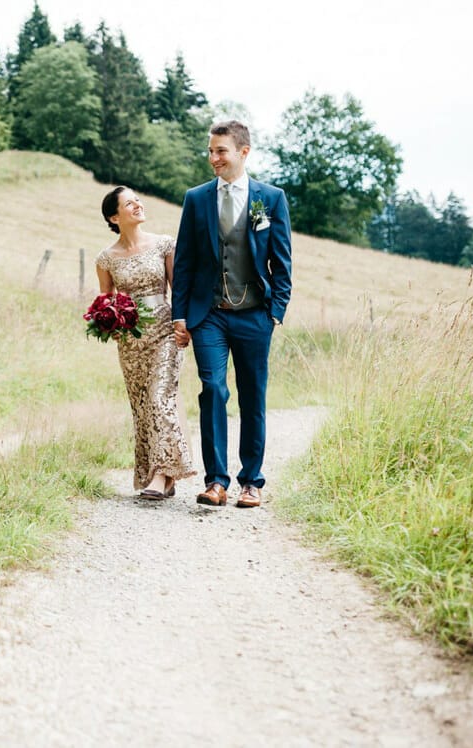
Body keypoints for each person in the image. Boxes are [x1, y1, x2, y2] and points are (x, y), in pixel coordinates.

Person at [171, 120, 292, 508]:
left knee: (252, 396)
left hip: (255, 314)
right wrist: (180, 315)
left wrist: (276, 310)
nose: (213, 158)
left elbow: (282, 261)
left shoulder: (269, 199)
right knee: (213, 389)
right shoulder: (196, 198)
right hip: (208, 315)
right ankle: (216, 481)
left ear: (243, 152)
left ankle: (251, 482)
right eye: (210, 151)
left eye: (220, 151)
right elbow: (185, 261)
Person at [96, 186, 195, 499]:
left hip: (165, 331)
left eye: (138, 199)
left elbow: (176, 289)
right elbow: (105, 300)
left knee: (159, 397)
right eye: (129, 203)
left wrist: (184, 324)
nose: (138, 204)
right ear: (115, 216)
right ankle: (162, 479)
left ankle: (162, 473)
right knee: (142, 406)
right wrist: (108, 322)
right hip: (130, 340)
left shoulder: (164, 244)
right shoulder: (106, 258)